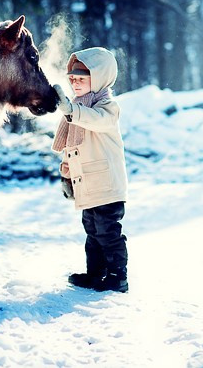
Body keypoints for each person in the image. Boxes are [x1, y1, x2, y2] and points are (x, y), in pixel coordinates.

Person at [52, 47, 129, 293]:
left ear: (98, 78)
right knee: (93, 232)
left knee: (108, 233)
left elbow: (96, 119)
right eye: (72, 79)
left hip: (107, 185)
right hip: (88, 185)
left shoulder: (107, 107)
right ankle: (96, 274)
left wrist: (71, 111)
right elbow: (71, 148)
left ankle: (118, 277)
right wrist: (67, 175)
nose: (74, 83)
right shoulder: (76, 110)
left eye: (81, 79)